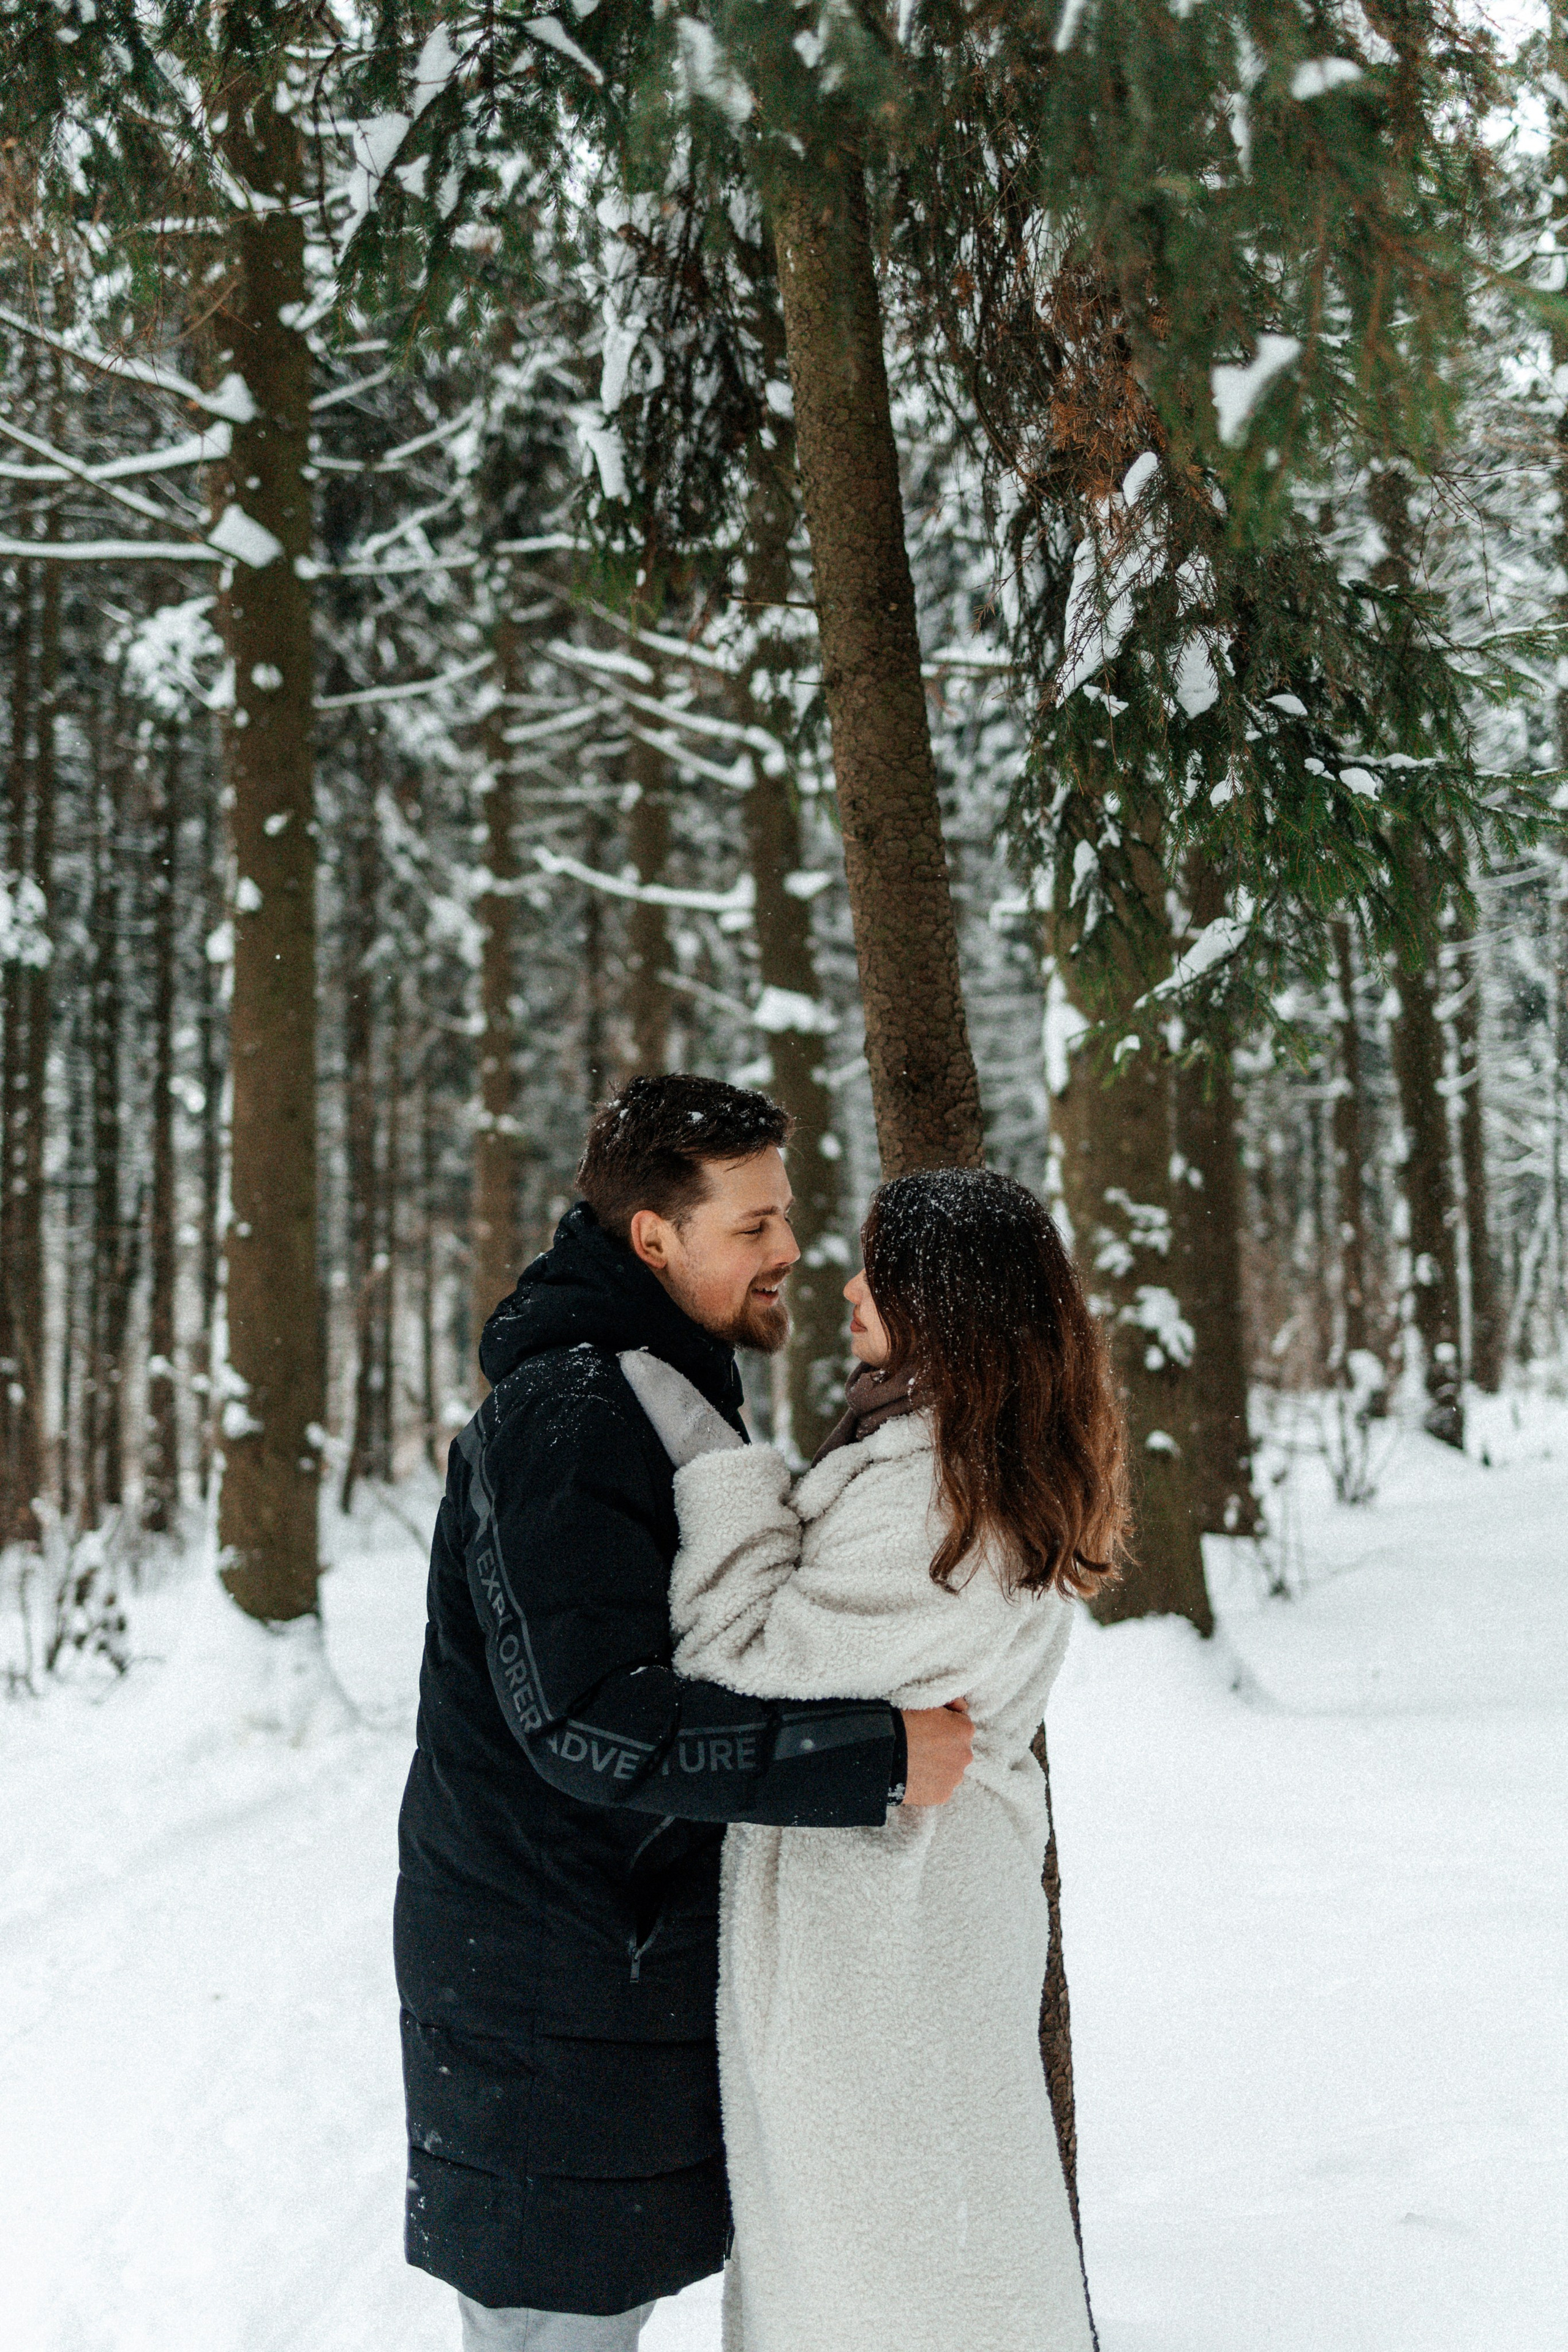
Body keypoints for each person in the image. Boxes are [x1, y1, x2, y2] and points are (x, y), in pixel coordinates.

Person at [394, 1076, 974, 2352]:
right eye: (753, 1225)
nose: (791, 1248)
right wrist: (874, 1758)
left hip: (604, 1968)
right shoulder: (569, 1417)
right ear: (654, 1237)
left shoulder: (655, 1389)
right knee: (556, 2328)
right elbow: (584, 1723)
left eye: (786, 1214)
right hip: (549, 1989)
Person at [620, 1167, 1129, 2352]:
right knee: (903, 2253)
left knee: (891, 2273)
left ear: (946, 1306)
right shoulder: (945, 1460)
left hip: (886, 1948)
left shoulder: (938, 1504)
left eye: (879, 1276)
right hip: (904, 1929)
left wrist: (718, 1465)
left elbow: (741, 1660)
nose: (845, 1289)